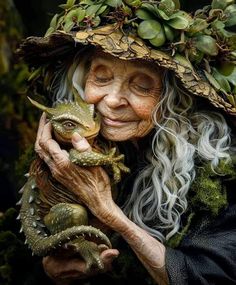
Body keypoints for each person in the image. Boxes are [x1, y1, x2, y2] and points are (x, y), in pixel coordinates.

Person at [18, 0, 236, 284]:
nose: (111, 100)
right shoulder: (66, 152)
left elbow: (212, 276)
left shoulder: (220, 174)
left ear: (174, 104)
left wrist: (107, 211)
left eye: (142, 85)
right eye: (101, 76)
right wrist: (57, 268)